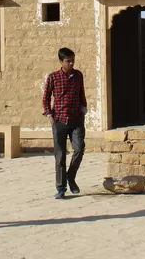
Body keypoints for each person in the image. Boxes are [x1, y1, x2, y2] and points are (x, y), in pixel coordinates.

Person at [42, 47, 87, 199]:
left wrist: (83, 111)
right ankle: (61, 188)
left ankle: (71, 177)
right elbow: (46, 98)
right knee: (60, 156)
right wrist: (49, 115)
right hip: (59, 120)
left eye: (73, 60)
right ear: (61, 62)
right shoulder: (53, 77)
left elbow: (82, 94)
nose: (71, 63)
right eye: (68, 61)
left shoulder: (78, 75)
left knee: (79, 149)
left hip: (76, 120)